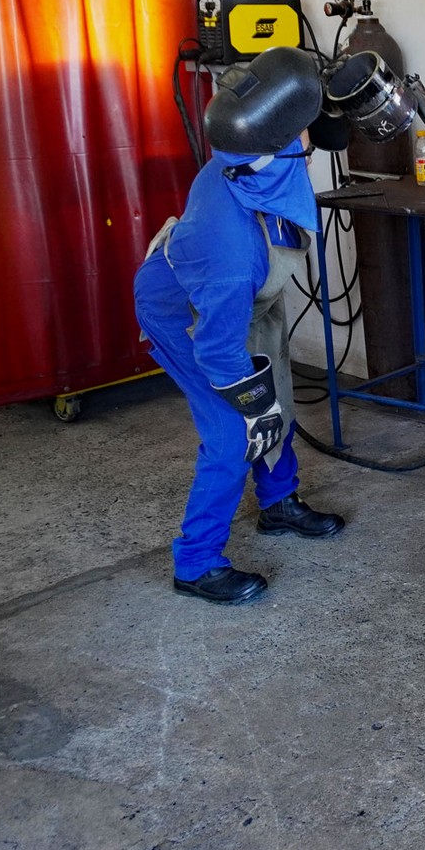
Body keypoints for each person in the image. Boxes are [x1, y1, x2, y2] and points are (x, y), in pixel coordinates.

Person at [133, 48, 347, 605]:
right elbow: (218, 352)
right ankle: (197, 562)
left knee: (278, 397)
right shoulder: (231, 250)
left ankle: (278, 503)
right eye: (301, 133)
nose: (308, 142)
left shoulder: (246, 156)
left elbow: (310, 135)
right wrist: (252, 403)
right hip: (189, 317)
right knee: (235, 430)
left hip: (244, 297)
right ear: (280, 146)